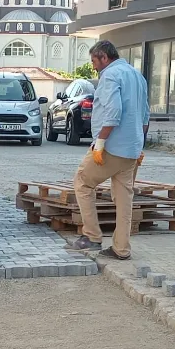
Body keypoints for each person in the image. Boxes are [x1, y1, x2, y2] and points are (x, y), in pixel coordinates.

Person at [67, 40, 150, 260]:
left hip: (111, 147)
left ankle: (92, 237)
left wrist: (101, 142)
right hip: (131, 149)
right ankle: (121, 249)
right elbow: (145, 116)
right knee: (124, 199)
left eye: (94, 61)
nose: (93, 66)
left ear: (104, 57)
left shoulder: (110, 76)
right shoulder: (137, 76)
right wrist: (139, 144)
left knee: (82, 182)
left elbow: (114, 111)